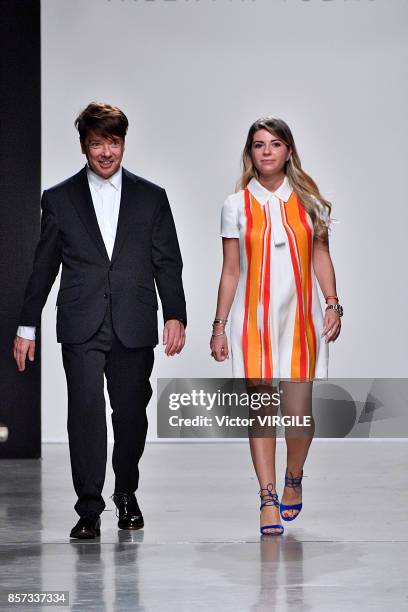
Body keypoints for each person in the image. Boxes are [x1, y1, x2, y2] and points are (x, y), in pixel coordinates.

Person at [13, 102, 187, 539]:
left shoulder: (152, 198)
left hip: (134, 321)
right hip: (81, 322)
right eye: (97, 143)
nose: (106, 152)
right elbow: (43, 266)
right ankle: (88, 508)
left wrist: (176, 314)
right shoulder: (58, 198)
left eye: (113, 142)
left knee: (130, 415)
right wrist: (26, 325)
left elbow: (168, 263)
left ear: (123, 142)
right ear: (83, 146)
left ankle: (125, 492)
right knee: (86, 412)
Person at [210, 117, 342, 536]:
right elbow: (231, 271)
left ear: (288, 150)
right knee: (263, 411)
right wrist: (219, 325)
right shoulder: (235, 206)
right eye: (258, 145)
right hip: (253, 323)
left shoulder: (309, 202)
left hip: (301, 321)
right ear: (250, 153)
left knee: (299, 415)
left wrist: (333, 304)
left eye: (275, 144)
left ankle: (293, 476)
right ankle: (267, 497)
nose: (266, 151)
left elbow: (321, 256)